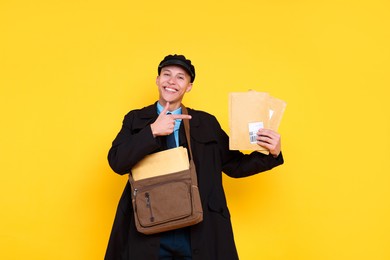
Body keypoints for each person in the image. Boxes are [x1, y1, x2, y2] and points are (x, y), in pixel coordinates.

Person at [105, 54, 284, 260]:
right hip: (149, 229)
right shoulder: (136, 119)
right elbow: (117, 161)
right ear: (157, 80)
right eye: (167, 75)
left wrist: (272, 154)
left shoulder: (206, 122)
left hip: (198, 230)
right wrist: (152, 131)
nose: (172, 81)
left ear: (189, 86)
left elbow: (234, 165)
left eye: (181, 77)